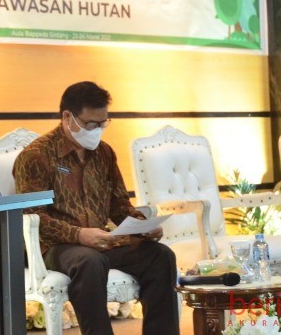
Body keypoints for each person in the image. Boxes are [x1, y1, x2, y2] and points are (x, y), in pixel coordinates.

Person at [13, 81, 179, 335]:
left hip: (101, 241)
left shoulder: (104, 153)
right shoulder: (36, 156)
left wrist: (142, 225)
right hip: (55, 247)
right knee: (89, 261)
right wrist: (79, 235)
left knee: (160, 256)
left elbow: (119, 204)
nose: (97, 130)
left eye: (103, 123)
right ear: (67, 117)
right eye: (91, 124)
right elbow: (32, 216)